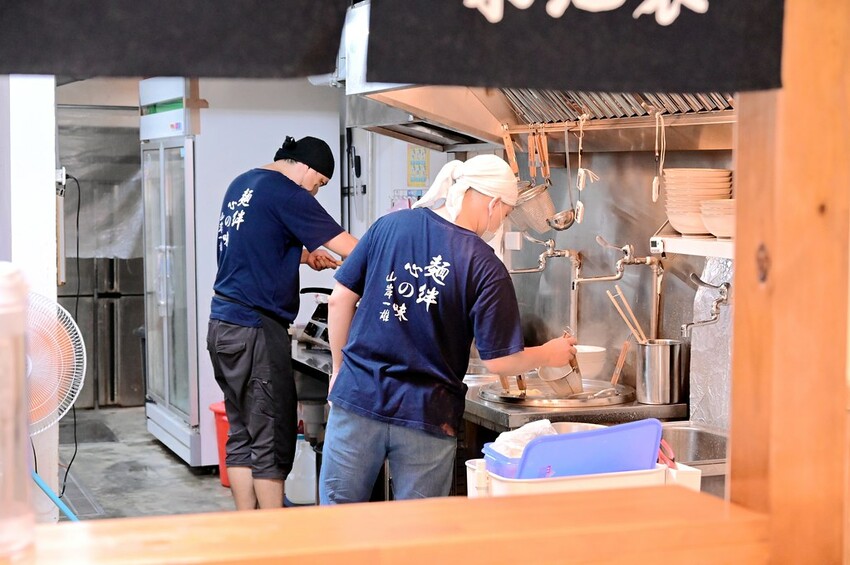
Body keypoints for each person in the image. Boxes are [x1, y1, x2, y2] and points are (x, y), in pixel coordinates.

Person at [319, 153, 576, 504]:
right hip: (427, 413)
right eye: (505, 212)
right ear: (494, 203)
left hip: (359, 396)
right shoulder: (484, 265)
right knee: (421, 536)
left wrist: (338, 370)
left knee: (335, 522)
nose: (501, 221)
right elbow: (499, 361)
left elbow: (339, 300)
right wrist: (549, 353)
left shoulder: (390, 226)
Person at [207, 135, 357, 510]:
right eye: (319, 184)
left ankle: (250, 529)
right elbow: (354, 248)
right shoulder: (288, 193)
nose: (316, 193)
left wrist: (305, 257)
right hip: (256, 328)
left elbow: (253, 244)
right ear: (307, 167)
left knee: (242, 432)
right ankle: (276, 538)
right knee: (272, 436)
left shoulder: (243, 183)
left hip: (223, 324)